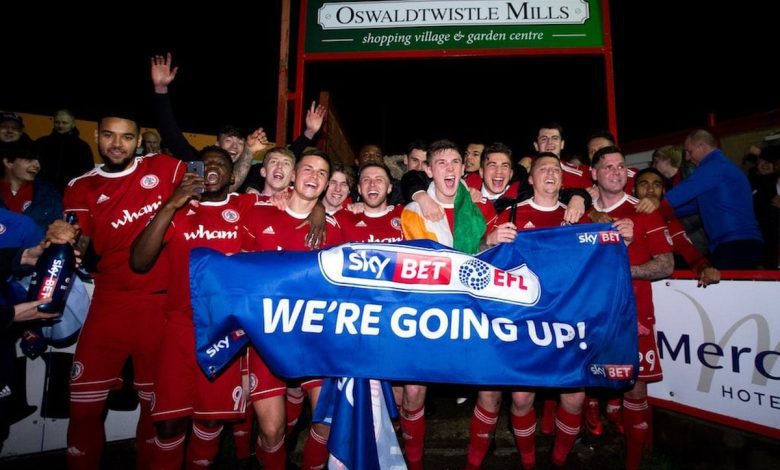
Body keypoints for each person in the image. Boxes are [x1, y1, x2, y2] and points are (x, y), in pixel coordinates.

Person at [54, 112, 185, 469]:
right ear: (96, 136)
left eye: (126, 137)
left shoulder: (163, 167)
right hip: (109, 305)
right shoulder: (80, 185)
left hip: (159, 308)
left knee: (154, 410)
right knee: (83, 409)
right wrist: (64, 239)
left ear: (139, 140)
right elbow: (80, 239)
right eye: (109, 136)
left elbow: (207, 171)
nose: (117, 144)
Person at [130, 146, 256, 469]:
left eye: (221, 163)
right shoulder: (179, 210)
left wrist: (315, 213)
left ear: (233, 176)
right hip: (180, 329)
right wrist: (171, 204)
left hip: (225, 331)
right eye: (205, 162)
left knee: (210, 422)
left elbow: (293, 209)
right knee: (169, 424)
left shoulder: (246, 207)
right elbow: (139, 261)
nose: (212, 167)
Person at [242, 151, 342, 470]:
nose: (314, 176)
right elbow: (237, 275)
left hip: (313, 337)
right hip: (266, 336)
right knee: (271, 432)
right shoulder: (258, 214)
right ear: (294, 175)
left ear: (326, 184)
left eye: (322, 173)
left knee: (326, 422)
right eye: (308, 169)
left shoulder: (335, 230)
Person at [399, 139, 496, 470]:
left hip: (475, 314)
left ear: (464, 168)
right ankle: (414, 464)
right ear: (427, 170)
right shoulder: (412, 212)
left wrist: (487, 243)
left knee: (491, 392)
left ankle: (474, 465)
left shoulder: (481, 208)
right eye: (441, 163)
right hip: (429, 314)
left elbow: (493, 260)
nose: (450, 168)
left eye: (455, 162)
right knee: (413, 394)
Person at [589, 145, 674, 470]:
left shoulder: (644, 210)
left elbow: (665, 265)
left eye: (621, 166)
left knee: (635, 393)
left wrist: (624, 271)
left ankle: (635, 461)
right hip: (594, 320)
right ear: (594, 173)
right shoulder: (581, 215)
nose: (615, 171)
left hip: (634, 318)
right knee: (589, 385)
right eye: (607, 166)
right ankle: (592, 431)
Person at [637, 129, 763, 269]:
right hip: (740, 242)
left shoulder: (713, 167)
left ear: (702, 146)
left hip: (735, 243)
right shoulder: (723, 167)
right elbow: (693, 206)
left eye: (689, 151)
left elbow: (674, 197)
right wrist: (665, 216)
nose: (687, 158)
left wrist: (647, 208)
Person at [634, 167, 720, 285]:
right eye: (644, 184)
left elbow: (688, 251)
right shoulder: (620, 214)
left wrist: (705, 268)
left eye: (656, 185)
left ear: (663, 191)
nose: (650, 190)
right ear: (633, 190)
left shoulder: (668, 221)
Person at [0, 141, 63, 229]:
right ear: (8, 162)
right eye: (29, 159)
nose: (37, 165)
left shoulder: (48, 193)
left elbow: (57, 227)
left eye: (38, 160)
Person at [35, 109, 95, 194]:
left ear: (73, 124)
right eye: (57, 122)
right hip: (43, 191)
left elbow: (87, 173)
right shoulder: (42, 143)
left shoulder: (82, 147)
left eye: (64, 123)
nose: (60, 125)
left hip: (71, 192)